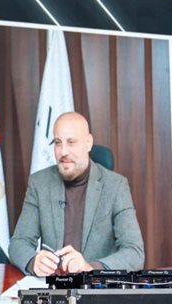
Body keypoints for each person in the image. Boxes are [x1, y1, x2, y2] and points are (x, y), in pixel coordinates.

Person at [9, 112, 144, 277]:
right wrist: (33, 261)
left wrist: (90, 268)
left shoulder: (116, 186)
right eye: (58, 143)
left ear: (88, 143)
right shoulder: (39, 183)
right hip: (53, 285)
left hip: (95, 287)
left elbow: (134, 252)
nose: (63, 152)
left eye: (71, 142)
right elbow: (18, 243)